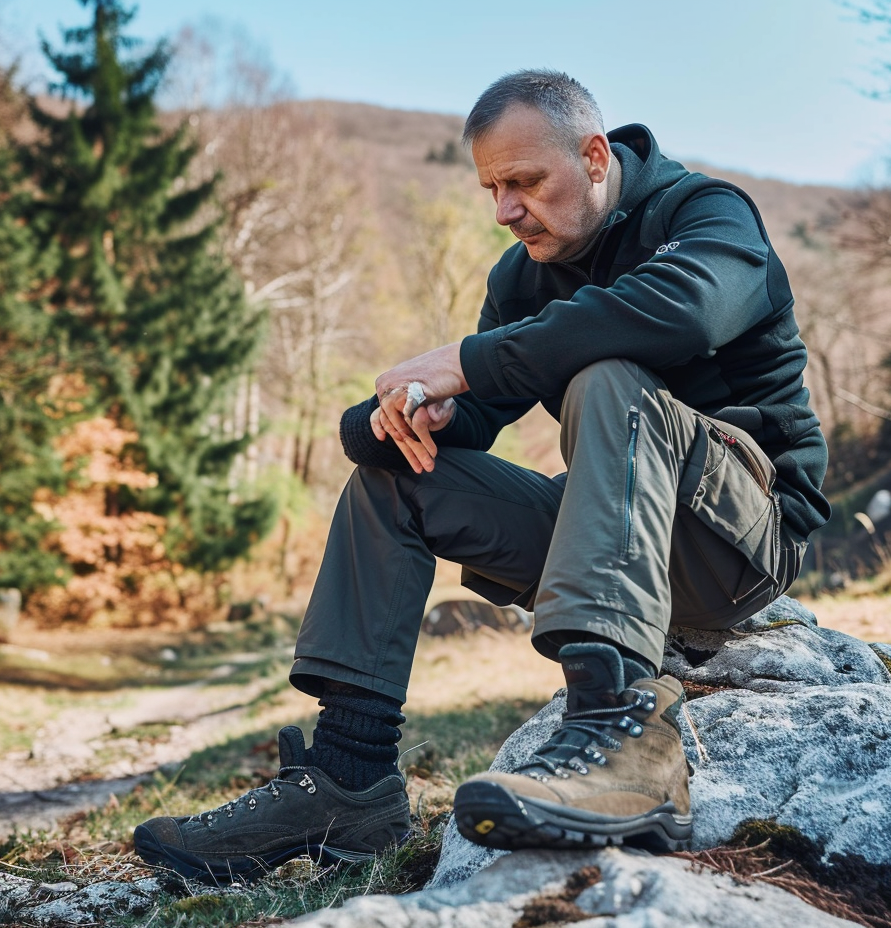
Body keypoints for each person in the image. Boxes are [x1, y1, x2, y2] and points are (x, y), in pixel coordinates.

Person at [133, 69, 829, 884]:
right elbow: (474, 409)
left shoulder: (705, 215)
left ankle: (621, 736)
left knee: (606, 376)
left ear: (596, 156)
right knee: (396, 481)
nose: (505, 210)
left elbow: (681, 311)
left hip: (739, 546)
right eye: (492, 188)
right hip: (615, 539)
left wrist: (466, 360)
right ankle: (349, 782)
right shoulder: (523, 276)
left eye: (524, 182)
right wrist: (400, 414)